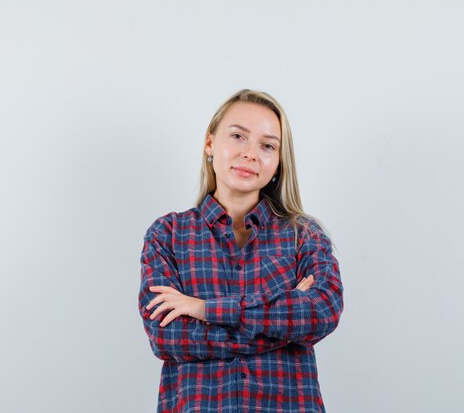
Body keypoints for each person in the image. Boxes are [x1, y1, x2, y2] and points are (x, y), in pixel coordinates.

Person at [138, 89, 344, 413]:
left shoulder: (303, 235)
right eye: (238, 136)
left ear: (277, 162)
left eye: (267, 145)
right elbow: (168, 336)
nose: (250, 154)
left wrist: (204, 309)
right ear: (210, 144)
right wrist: (283, 327)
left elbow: (322, 311)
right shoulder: (167, 235)